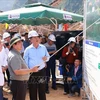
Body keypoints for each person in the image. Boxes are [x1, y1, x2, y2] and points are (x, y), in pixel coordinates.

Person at [24, 30, 50, 100]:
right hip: (32, 73)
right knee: (32, 91)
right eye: (34, 37)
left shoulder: (43, 47)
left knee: (42, 90)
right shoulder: (27, 49)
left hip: (41, 72)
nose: (37, 39)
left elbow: (48, 57)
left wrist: (46, 58)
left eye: (37, 37)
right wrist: (28, 70)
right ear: (31, 39)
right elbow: (25, 62)